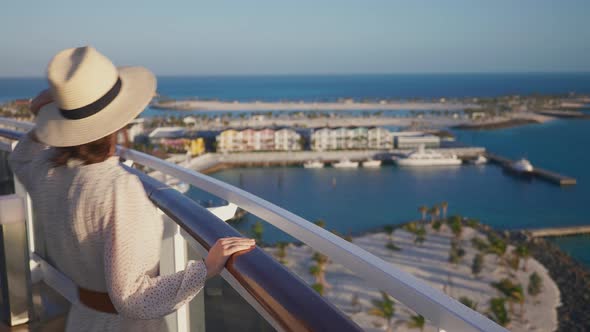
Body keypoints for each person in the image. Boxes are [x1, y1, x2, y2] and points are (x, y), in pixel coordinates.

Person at [8, 46, 255, 331]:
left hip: (83, 318)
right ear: (119, 120)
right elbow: (133, 299)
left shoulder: (48, 172)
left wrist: (51, 116)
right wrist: (205, 268)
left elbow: (20, 157)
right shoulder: (117, 188)